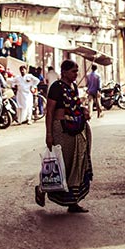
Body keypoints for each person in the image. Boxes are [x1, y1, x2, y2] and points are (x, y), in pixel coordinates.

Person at [36, 60, 93, 213]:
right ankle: (42, 188)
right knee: (61, 166)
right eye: (74, 71)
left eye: (76, 71)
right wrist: (49, 134)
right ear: (65, 72)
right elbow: (49, 111)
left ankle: (73, 203)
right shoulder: (56, 87)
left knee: (76, 165)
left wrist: (83, 111)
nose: (76, 74)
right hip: (61, 130)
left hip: (76, 129)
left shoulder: (73, 87)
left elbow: (75, 106)